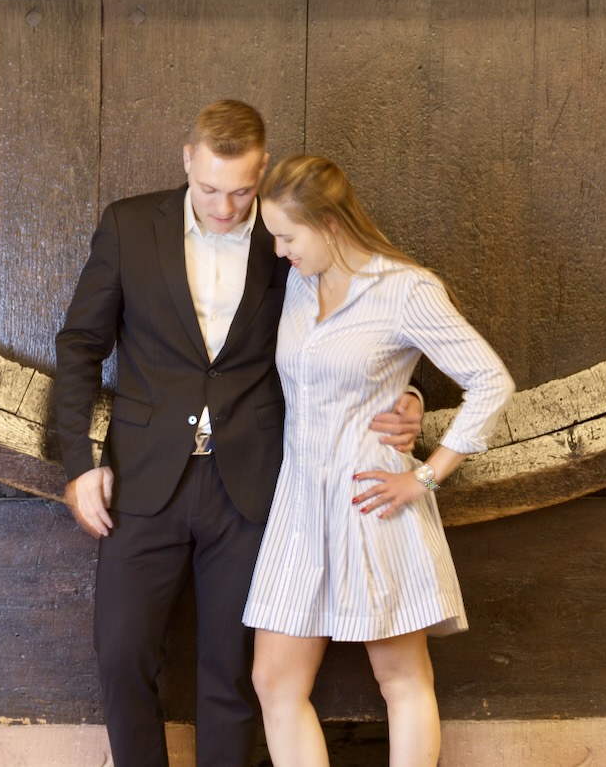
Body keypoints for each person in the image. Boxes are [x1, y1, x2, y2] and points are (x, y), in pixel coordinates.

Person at [54, 101, 422, 767]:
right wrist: (79, 464)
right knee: (121, 654)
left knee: (230, 671)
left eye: (242, 192)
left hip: (254, 484)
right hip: (142, 478)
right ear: (187, 159)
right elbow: (80, 345)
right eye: (210, 189)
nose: (225, 208)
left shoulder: (290, 236)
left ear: (264, 169)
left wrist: (412, 394)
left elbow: (370, 319)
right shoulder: (128, 225)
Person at [242, 154, 515, 767]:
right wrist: (410, 395)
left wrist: (425, 476)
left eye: (288, 236)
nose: (279, 250)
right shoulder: (300, 282)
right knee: (274, 680)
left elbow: (491, 382)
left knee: (402, 678)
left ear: (329, 224)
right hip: (298, 503)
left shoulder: (405, 289)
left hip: (371, 499)